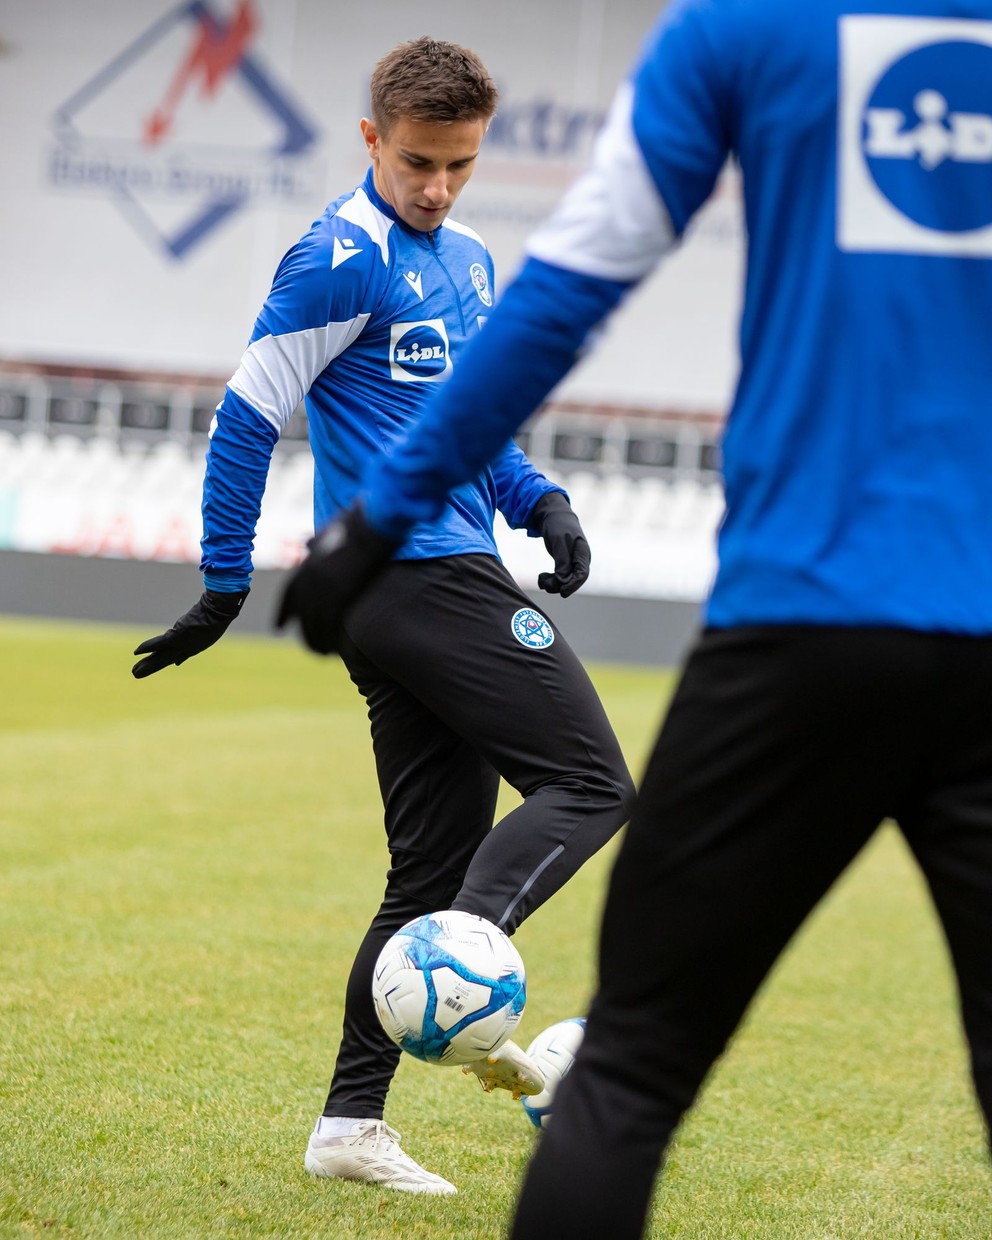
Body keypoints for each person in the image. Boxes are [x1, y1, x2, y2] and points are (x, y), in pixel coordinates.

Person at [274, 1, 992, 1235]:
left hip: (799, 618)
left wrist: (377, 514)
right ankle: (373, 1090)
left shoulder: (740, 32)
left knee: (636, 1070)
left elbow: (570, 289)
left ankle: (462, 982)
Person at [130, 35, 634, 1197]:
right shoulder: (332, 259)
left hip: (440, 570)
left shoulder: (466, 260)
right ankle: (463, 979)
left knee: (424, 876)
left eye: (457, 165)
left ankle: (348, 1125)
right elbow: (249, 415)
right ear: (371, 139)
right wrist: (222, 579)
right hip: (413, 577)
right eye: (416, 162)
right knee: (593, 782)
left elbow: (474, 424)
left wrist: (538, 497)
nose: (436, 187)